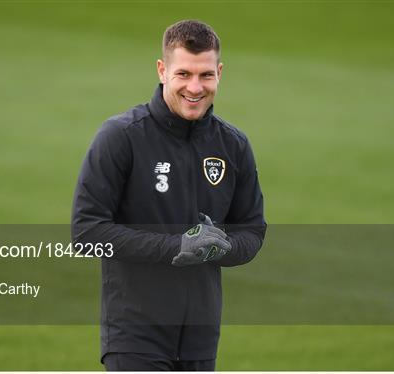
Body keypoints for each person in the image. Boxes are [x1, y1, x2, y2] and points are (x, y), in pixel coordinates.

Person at [72, 19, 266, 371]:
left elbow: (252, 230)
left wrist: (225, 247)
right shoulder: (122, 137)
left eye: (206, 75)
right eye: (184, 74)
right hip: (134, 337)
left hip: (200, 339)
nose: (195, 87)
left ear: (219, 72)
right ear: (162, 70)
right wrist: (177, 246)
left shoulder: (233, 145)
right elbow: (86, 233)